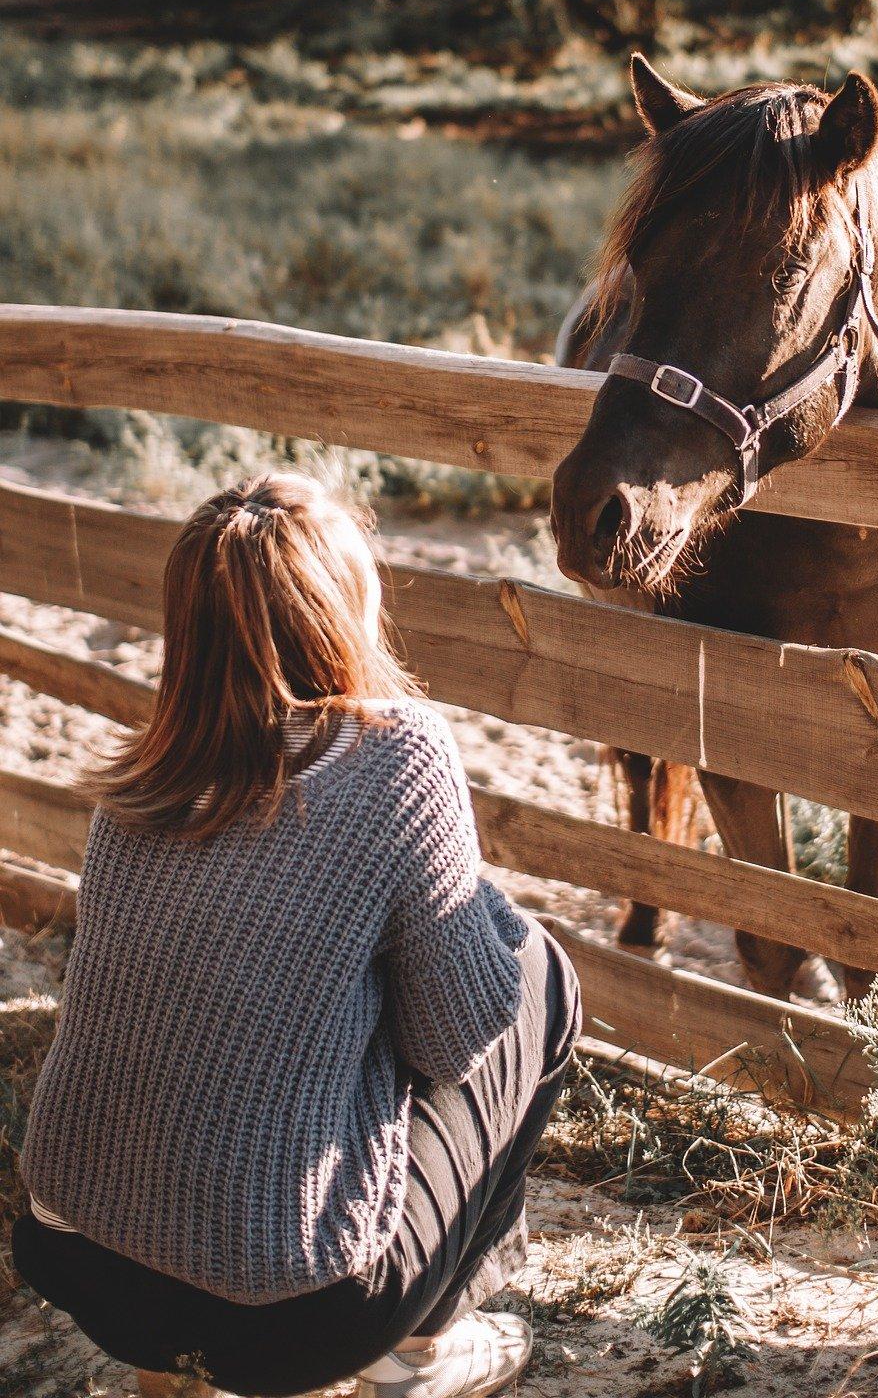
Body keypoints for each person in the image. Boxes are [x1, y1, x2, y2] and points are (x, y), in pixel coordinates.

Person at [13, 471, 581, 1398]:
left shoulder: (143, 779)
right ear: (340, 609)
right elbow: (454, 1042)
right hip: (291, 1317)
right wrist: (464, 898)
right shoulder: (397, 755)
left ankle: (169, 1373)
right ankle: (416, 1350)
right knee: (542, 977)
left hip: (84, 1267)